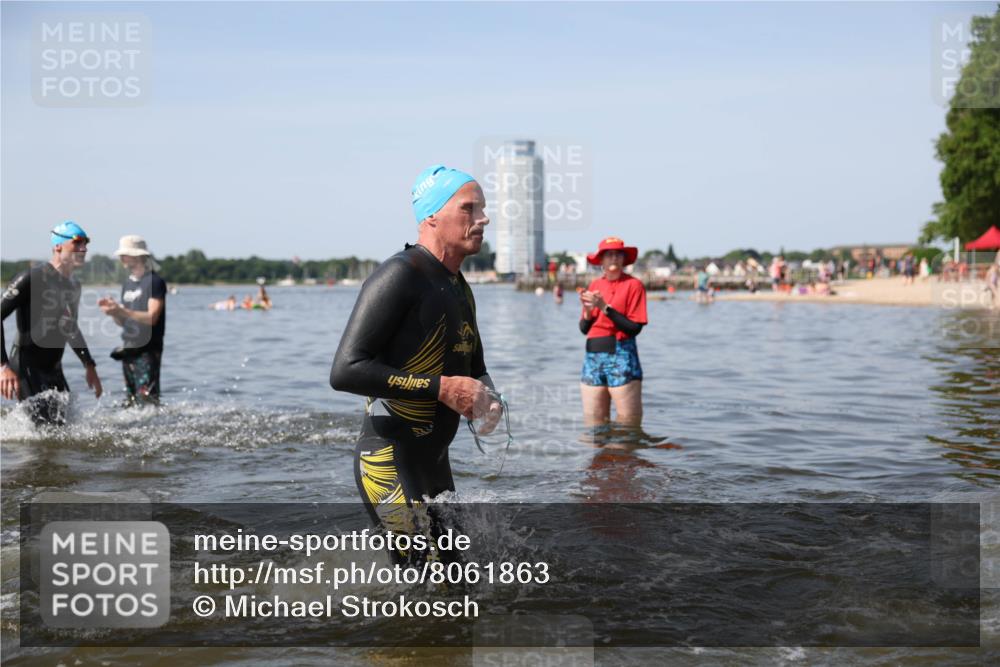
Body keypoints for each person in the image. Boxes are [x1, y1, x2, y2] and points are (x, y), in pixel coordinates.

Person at [330, 164, 501, 565]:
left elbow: (474, 363)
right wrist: (442, 389)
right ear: (432, 216)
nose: (484, 218)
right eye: (470, 209)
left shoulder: (458, 285)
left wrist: (487, 398)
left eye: (484, 209)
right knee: (423, 587)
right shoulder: (399, 276)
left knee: (460, 584)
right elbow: (346, 370)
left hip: (435, 461)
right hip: (388, 460)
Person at [0, 222, 103, 424]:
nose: (84, 249)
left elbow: (70, 326)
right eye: (77, 243)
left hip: (54, 369)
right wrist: (3, 367)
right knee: (43, 432)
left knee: (63, 432)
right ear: (58, 246)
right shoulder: (31, 278)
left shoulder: (73, 285)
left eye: (86, 243)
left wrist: (89, 364)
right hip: (26, 366)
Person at [579, 237, 648, 426]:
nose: (614, 258)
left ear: (624, 259)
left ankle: (627, 455)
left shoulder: (634, 285)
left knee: (628, 423)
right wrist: (587, 309)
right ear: (600, 260)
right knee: (593, 425)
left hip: (621, 354)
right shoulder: (595, 285)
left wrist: (604, 307)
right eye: (608, 255)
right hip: (592, 357)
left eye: (618, 254)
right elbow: (584, 328)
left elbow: (634, 328)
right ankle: (599, 455)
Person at [98, 235, 166, 406]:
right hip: (128, 347)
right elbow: (124, 322)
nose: (121, 258)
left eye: (124, 254)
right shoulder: (127, 283)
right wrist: (113, 313)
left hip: (148, 349)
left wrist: (122, 310)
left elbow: (152, 318)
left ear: (137, 256)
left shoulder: (154, 282)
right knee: (131, 400)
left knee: (148, 400)